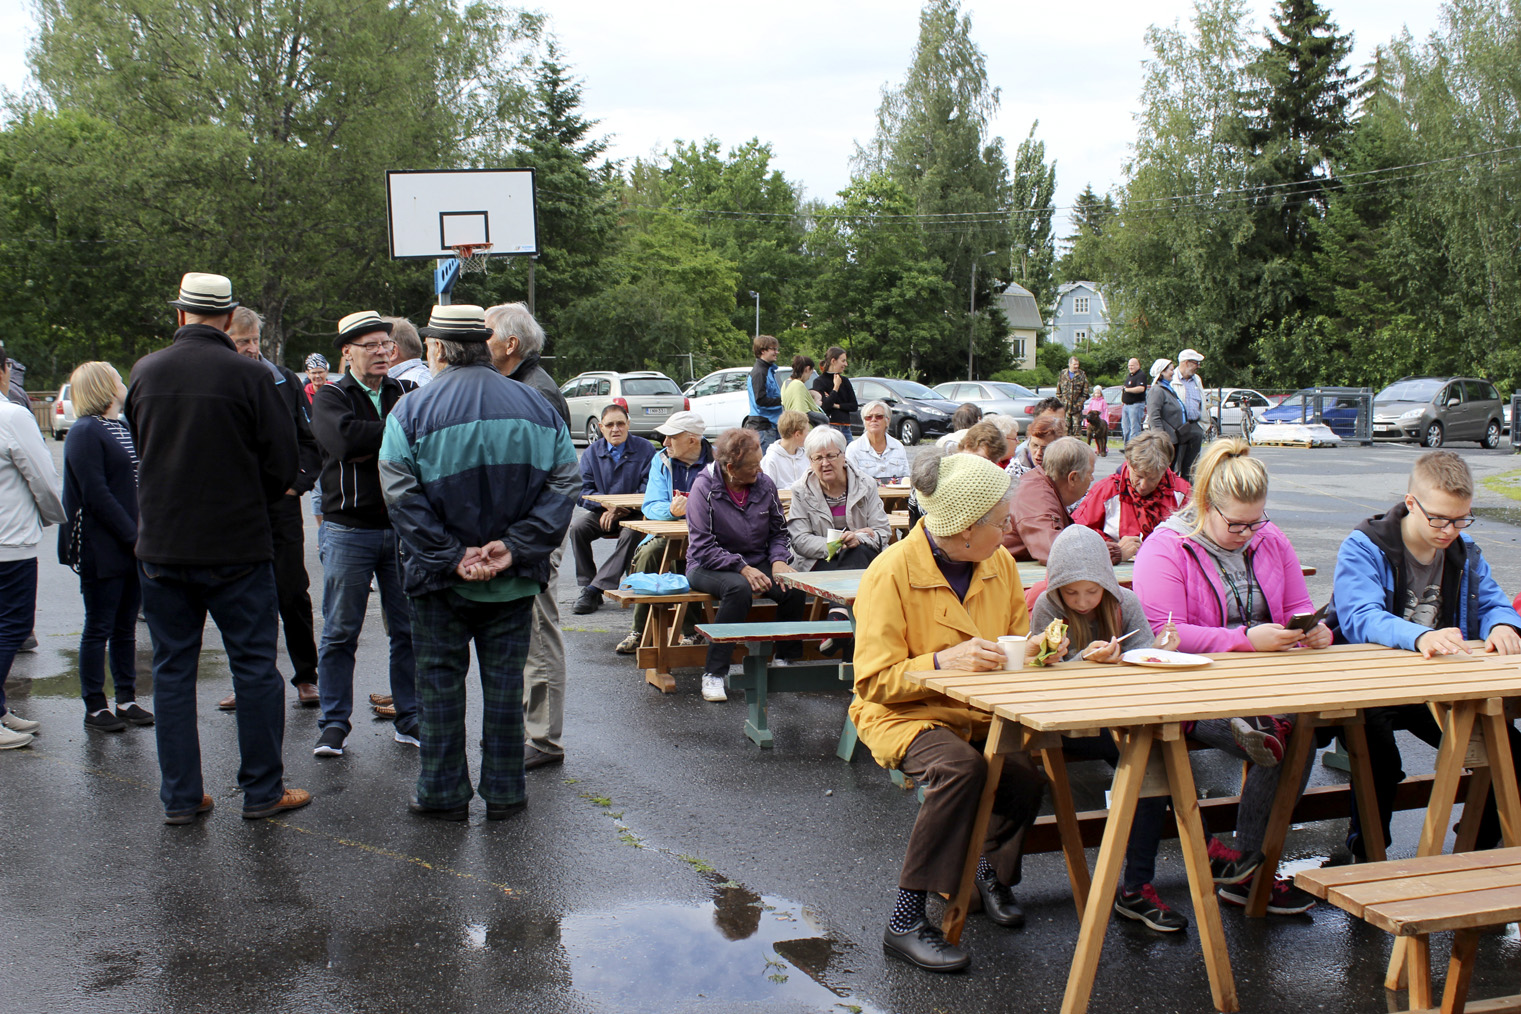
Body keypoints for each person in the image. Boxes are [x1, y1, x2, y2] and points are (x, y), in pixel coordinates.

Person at [850, 448, 1058, 972]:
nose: (1009, 528)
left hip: (981, 711)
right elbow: (873, 682)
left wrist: (1040, 650)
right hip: (905, 713)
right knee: (959, 769)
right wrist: (943, 661)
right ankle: (904, 919)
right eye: (1000, 520)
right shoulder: (889, 574)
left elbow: (1017, 641)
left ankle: (987, 871)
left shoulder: (1000, 562)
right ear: (966, 529)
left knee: (1025, 779)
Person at [378, 304, 579, 820]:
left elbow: (399, 494)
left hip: (438, 581)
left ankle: (443, 792)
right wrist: (513, 547)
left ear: (439, 348)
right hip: (511, 580)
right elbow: (564, 487)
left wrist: (451, 556)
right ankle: (506, 791)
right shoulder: (538, 408)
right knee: (506, 685)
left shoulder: (411, 412)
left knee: (440, 684)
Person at [124, 272, 307, 823]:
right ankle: (262, 791)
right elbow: (281, 465)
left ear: (180, 315)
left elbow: (142, 446)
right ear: (229, 319)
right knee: (253, 667)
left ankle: (181, 796)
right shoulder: (250, 377)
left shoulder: (144, 372)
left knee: (173, 670)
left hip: (163, 545)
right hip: (237, 546)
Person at [1131, 438, 1325, 914]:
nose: (1246, 533)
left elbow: (1298, 606)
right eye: (1234, 523)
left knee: (1292, 733)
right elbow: (1163, 634)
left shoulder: (1269, 536)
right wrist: (1245, 638)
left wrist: (1310, 630)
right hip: (1190, 689)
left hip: (1264, 684)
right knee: (1285, 734)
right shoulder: (1165, 547)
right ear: (1204, 504)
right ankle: (1250, 866)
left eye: (1254, 521)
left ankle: (1249, 864)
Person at [1330, 450, 1521, 859]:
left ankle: (1477, 847)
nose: (1449, 530)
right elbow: (1359, 618)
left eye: (1460, 519)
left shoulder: (1464, 550)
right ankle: (1367, 855)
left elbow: (1493, 603)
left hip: (1437, 684)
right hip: (1369, 685)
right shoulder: (1364, 546)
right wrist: (1419, 636)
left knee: (1509, 752)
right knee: (1379, 764)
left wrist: (1504, 624)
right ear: (1411, 503)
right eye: (1439, 518)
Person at [1029, 525, 1187, 932]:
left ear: (1107, 585)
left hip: (1119, 719)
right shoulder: (1045, 608)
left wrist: (1158, 651)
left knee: (1152, 760)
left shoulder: (1125, 603)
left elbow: (1148, 664)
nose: (1082, 602)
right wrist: (1083, 660)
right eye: (1072, 593)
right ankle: (1190, 859)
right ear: (1057, 589)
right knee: (1152, 760)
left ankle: (1137, 885)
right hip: (1064, 726)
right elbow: (1038, 678)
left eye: (1092, 592)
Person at [310, 309, 419, 757]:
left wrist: (367, 439)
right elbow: (343, 442)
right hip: (347, 530)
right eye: (370, 345)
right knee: (339, 632)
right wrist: (391, 435)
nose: (381, 352)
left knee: (407, 629)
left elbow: (420, 437)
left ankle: (409, 717)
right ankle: (334, 723)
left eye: (386, 345)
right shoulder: (330, 396)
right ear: (347, 352)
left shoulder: (406, 391)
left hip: (400, 529)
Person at [484, 303, 573, 771]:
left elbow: (552, 478)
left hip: (536, 534)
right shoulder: (521, 385)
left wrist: (526, 538)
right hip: (525, 532)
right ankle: (532, 732)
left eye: (486, 333)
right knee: (527, 633)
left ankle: (543, 740)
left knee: (539, 632)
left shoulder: (537, 392)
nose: (481, 342)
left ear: (510, 344)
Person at [224, 305, 322, 709]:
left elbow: (310, 439)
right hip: (238, 509)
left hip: (280, 507)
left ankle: (306, 677)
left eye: (253, 341)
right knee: (242, 598)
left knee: (291, 591)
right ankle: (248, 680)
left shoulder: (284, 379)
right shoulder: (220, 379)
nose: (249, 349)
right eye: (241, 341)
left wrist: (296, 484)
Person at [62, 362, 151, 734]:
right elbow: (95, 493)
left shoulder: (121, 425)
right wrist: (134, 536)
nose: (123, 383)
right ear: (103, 386)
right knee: (98, 626)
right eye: (117, 378)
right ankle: (95, 705)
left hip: (132, 540)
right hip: (103, 545)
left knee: (126, 626)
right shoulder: (84, 432)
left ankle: (126, 698)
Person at [686, 428, 806, 703]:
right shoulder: (704, 487)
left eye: (760, 462)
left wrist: (777, 560)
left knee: (794, 586)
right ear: (731, 468)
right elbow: (703, 546)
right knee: (738, 589)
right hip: (707, 564)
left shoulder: (764, 484)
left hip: (756, 560)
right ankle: (714, 673)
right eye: (753, 466)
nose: (759, 470)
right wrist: (742, 567)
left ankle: (785, 661)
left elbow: (779, 531)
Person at [0, 349, 64, 750]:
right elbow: (43, 477)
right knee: (11, 627)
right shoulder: (12, 417)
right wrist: (49, 516)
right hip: (10, 541)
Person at [616, 410, 713, 655]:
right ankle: (640, 630)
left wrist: (696, 510)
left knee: (692, 558)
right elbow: (650, 505)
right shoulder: (661, 460)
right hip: (668, 534)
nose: (665, 442)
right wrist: (672, 509)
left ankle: (691, 631)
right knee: (651, 553)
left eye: (671, 437)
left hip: (710, 537)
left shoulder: (718, 462)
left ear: (692, 440)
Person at [568, 403, 657, 616]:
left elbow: (650, 486)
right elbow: (581, 491)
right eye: (609, 425)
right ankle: (588, 584)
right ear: (600, 426)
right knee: (577, 528)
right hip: (603, 512)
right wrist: (604, 505)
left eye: (620, 424)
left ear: (628, 424)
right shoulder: (591, 453)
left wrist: (621, 508)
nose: (615, 429)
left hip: (637, 512)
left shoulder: (645, 449)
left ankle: (596, 588)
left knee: (631, 533)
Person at [1007, 437, 1133, 565]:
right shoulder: (1035, 497)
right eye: (1090, 473)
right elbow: (1055, 552)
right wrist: (1115, 552)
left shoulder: (1040, 487)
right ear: (1073, 478)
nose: (1092, 479)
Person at [1070, 431, 1190, 545]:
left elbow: (1197, 536)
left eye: (1152, 479)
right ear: (1128, 463)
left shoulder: (1182, 492)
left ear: (1166, 468)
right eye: (1138, 476)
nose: (1143, 485)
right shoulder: (1107, 490)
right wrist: (1114, 548)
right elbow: (1077, 533)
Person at [1145, 357, 1200, 480]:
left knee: (1173, 471)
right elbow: (1154, 416)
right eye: (1170, 370)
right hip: (1167, 440)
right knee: (1165, 472)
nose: (1173, 372)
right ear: (1162, 372)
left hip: (1175, 439)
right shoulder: (1157, 390)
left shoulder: (1168, 389)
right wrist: (1161, 439)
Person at [845, 400, 909, 482]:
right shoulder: (853, 449)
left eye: (879, 416)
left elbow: (906, 479)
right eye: (868, 417)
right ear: (864, 422)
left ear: (887, 421)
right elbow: (851, 482)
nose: (873, 420)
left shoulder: (898, 447)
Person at [742, 334, 784, 451]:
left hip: (771, 426)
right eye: (773, 349)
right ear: (763, 351)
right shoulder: (760, 372)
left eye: (777, 349)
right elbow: (760, 400)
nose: (776, 352)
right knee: (765, 467)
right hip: (763, 428)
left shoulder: (769, 370)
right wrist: (783, 400)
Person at [1007, 398, 1065, 477]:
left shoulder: (1068, 455)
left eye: (1060, 421)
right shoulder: (1017, 466)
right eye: (1047, 420)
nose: (1055, 425)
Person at [1173, 348, 1208, 479]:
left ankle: (1188, 492)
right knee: (1175, 463)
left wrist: (1202, 426)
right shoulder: (1172, 379)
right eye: (1195, 363)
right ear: (1186, 363)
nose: (1198, 367)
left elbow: (1202, 402)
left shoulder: (1196, 380)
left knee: (1191, 466)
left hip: (1194, 426)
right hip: (1177, 427)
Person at [813, 346, 858, 438]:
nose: (846, 364)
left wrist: (836, 405)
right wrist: (836, 387)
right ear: (833, 361)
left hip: (846, 428)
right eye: (843, 361)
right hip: (830, 428)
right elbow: (825, 406)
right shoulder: (819, 381)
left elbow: (854, 406)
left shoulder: (845, 381)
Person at [759, 410, 810, 488]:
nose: (809, 435)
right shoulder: (771, 460)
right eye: (807, 432)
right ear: (797, 434)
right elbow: (767, 492)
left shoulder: (806, 456)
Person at [387, 316, 432, 387]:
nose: (379, 351)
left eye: (382, 344)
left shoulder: (411, 384)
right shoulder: (426, 377)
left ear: (393, 351)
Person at [1057, 356, 1089, 437]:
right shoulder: (1063, 374)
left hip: (1076, 408)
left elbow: (1085, 392)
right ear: (1069, 364)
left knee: (1076, 430)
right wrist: (1062, 401)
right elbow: (1058, 391)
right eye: (1074, 364)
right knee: (1065, 429)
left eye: (1077, 364)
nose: (1076, 366)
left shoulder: (1082, 375)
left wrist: (1080, 402)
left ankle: (1076, 448)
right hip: (1065, 408)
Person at [1120, 356, 1148, 445]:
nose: (1130, 367)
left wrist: (1127, 390)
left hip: (1135, 405)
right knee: (1125, 428)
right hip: (1126, 405)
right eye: (1129, 366)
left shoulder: (1141, 375)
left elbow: (1141, 388)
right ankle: (1127, 447)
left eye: (1132, 365)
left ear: (1138, 365)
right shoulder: (1130, 376)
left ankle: (1134, 448)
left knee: (1134, 428)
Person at [782, 355, 819, 420]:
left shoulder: (785, 383)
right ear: (807, 369)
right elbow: (801, 412)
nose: (809, 378)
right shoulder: (798, 384)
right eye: (811, 372)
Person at [1083, 384, 1110, 456]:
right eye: (1096, 393)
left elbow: (1105, 411)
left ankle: (1103, 449)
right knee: (1093, 435)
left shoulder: (1103, 401)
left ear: (1101, 393)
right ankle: (1097, 449)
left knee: (1101, 436)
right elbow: (1089, 411)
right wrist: (1086, 422)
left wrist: (1106, 420)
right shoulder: (1092, 401)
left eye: (1098, 393)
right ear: (1094, 393)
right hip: (1092, 421)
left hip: (1101, 420)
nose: (1097, 394)